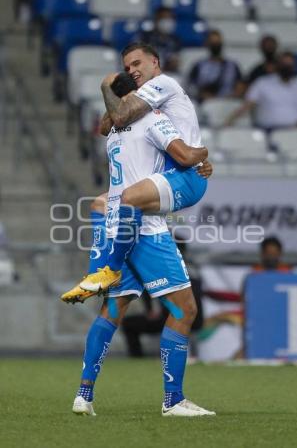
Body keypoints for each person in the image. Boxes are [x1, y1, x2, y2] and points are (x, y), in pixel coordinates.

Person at [70, 73, 216, 418]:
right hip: (144, 229)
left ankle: (83, 394)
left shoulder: (113, 134)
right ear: (137, 96)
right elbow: (180, 155)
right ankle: (173, 400)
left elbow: (141, 157)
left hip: (115, 224)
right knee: (185, 311)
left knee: (113, 311)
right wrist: (203, 154)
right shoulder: (152, 117)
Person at [78, 43, 213, 295]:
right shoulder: (146, 96)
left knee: (128, 199)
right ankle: (104, 273)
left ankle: (110, 268)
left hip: (185, 171)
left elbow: (117, 119)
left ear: (155, 62)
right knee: (102, 203)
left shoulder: (163, 84)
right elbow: (106, 126)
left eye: (137, 63)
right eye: (127, 68)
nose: (132, 71)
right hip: (176, 166)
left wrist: (107, 86)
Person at [224, 52, 297, 131]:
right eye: (284, 64)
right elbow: (248, 105)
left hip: (295, 131)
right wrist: (230, 120)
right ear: (278, 65)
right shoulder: (262, 83)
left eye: (289, 65)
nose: (287, 67)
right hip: (268, 130)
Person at [186, 29, 244, 103]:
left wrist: (233, 95)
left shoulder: (233, 66)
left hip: (227, 103)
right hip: (205, 104)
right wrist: (201, 94)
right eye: (212, 42)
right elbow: (190, 86)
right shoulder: (199, 66)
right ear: (207, 43)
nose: (215, 44)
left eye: (217, 42)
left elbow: (240, 85)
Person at [138, 6, 181, 73]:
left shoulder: (175, 40)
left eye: (169, 18)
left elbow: (175, 63)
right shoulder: (145, 38)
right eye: (163, 18)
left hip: (167, 74)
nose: (166, 21)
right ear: (156, 19)